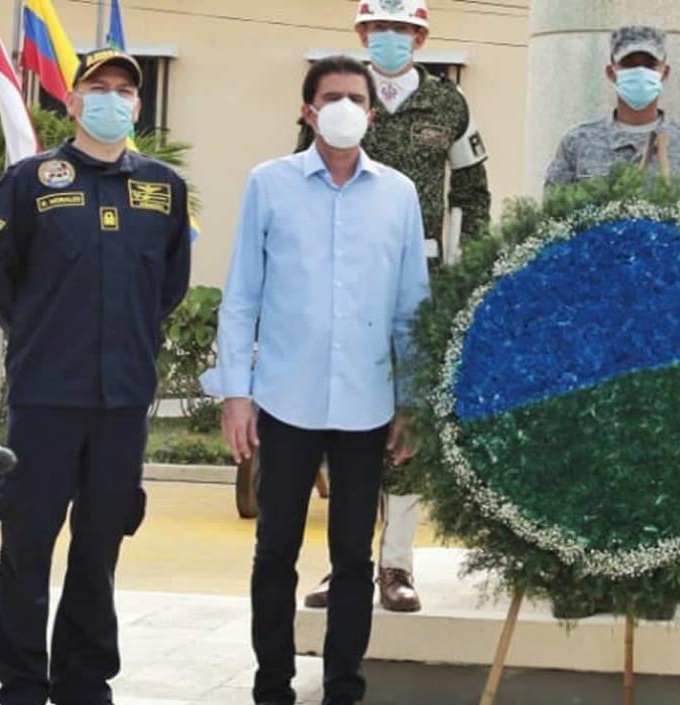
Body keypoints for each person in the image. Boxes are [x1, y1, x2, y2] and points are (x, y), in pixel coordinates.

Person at [201, 56, 429, 705]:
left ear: (372, 113)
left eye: (355, 98)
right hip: (283, 401)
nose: (343, 108)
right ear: (307, 110)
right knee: (275, 550)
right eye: (331, 97)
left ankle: (343, 688)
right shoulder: (268, 185)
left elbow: (412, 304)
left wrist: (410, 400)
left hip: (366, 405)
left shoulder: (398, 194)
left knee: (354, 558)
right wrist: (236, 393)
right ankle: (272, 684)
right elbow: (242, 295)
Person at [0, 49, 191, 705]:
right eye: (99, 88)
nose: (114, 99)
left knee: (99, 546)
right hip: (45, 396)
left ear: (137, 106)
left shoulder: (163, 188)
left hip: (122, 399)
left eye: (126, 90)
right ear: (71, 101)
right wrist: (46, 337)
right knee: (27, 547)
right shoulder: (30, 179)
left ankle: (84, 679)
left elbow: (169, 286)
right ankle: (20, 682)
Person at [298, 0, 490, 615]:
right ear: (361, 33)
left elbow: (473, 192)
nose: (390, 39)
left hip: (425, 277)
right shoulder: (338, 96)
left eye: (402, 29)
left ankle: (398, 565)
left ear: (421, 35)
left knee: (410, 422)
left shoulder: (449, 104)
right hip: (346, 279)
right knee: (347, 418)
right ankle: (342, 564)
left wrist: (466, 275)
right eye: (379, 28)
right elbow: (303, 180)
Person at [544, 25, 680, 192]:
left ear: (664, 73)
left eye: (650, 65)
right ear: (611, 73)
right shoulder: (577, 143)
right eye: (629, 64)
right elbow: (552, 214)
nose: (640, 72)